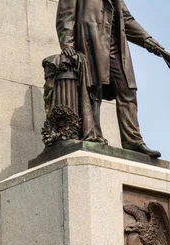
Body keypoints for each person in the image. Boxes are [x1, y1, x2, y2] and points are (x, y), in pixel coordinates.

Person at [56, 0, 165, 157]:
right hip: (91, 37)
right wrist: (67, 43)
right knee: (94, 88)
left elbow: (126, 18)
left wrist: (147, 40)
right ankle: (93, 135)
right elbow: (66, 13)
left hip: (115, 45)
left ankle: (133, 141)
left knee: (128, 89)